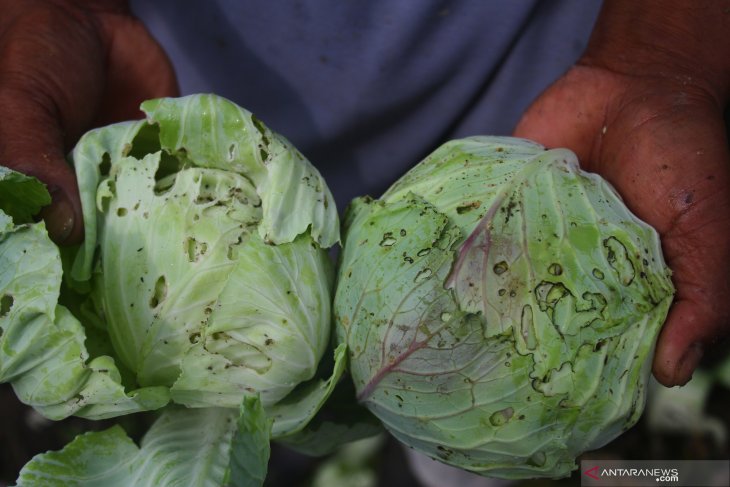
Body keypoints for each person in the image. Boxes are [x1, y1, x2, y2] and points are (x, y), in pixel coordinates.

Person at [0, 0, 728, 392]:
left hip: (547, 95)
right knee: (233, 409)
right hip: (172, 99)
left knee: (489, 383)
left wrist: (660, 52)